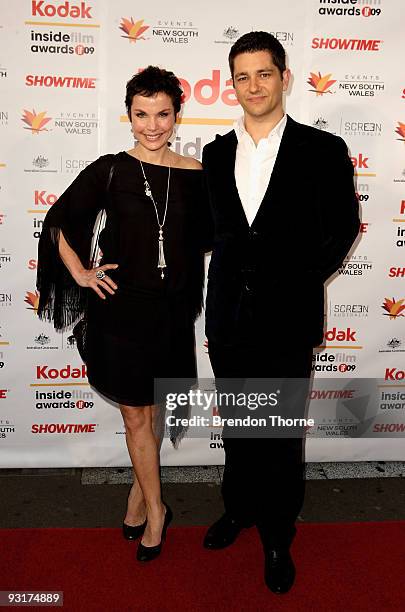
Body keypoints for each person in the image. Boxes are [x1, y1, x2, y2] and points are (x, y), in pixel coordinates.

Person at [202, 32, 359, 593]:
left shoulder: (323, 150)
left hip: (286, 319)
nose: (253, 86)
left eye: (263, 74)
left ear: (284, 77)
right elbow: (214, 232)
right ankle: (239, 510)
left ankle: (276, 533)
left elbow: (342, 230)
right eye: (242, 77)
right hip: (226, 318)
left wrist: (291, 284)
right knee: (241, 426)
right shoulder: (215, 153)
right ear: (232, 84)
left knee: (280, 435)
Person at [36, 66, 208, 562]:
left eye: (162, 113)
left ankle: (137, 495)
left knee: (153, 412)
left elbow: (211, 238)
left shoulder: (195, 175)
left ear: (177, 113)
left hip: (172, 315)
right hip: (122, 314)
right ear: (128, 116)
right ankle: (157, 510)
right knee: (136, 414)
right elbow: (59, 221)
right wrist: (83, 273)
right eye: (141, 114)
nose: (152, 125)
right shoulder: (110, 169)